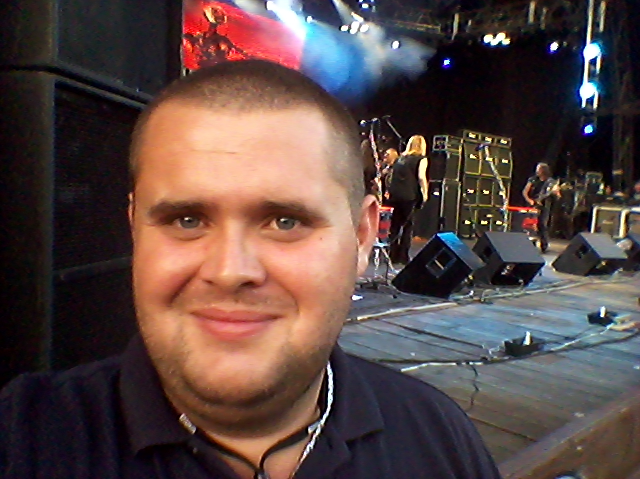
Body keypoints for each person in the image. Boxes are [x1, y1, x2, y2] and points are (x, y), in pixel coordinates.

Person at [0, 60, 500, 479]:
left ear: (362, 236)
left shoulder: (439, 439)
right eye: (187, 220)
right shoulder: (24, 437)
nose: (229, 270)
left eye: (285, 221)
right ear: (135, 231)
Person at [386, 135, 429, 265]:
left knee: (394, 226)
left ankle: (392, 255)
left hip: (395, 195)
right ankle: (403, 256)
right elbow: (421, 177)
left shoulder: (400, 158)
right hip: (409, 196)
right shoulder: (421, 159)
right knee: (407, 226)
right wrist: (425, 193)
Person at [522, 162, 560, 253]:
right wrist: (530, 200)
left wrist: (556, 192)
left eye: (538, 169)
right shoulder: (533, 179)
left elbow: (557, 195)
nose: (537, 171)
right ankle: (530, 242)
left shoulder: (551, 182)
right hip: (532, 204)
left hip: (544, 205)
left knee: (542, 224)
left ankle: (544, 244)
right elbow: (525, 192)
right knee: (529, 224)